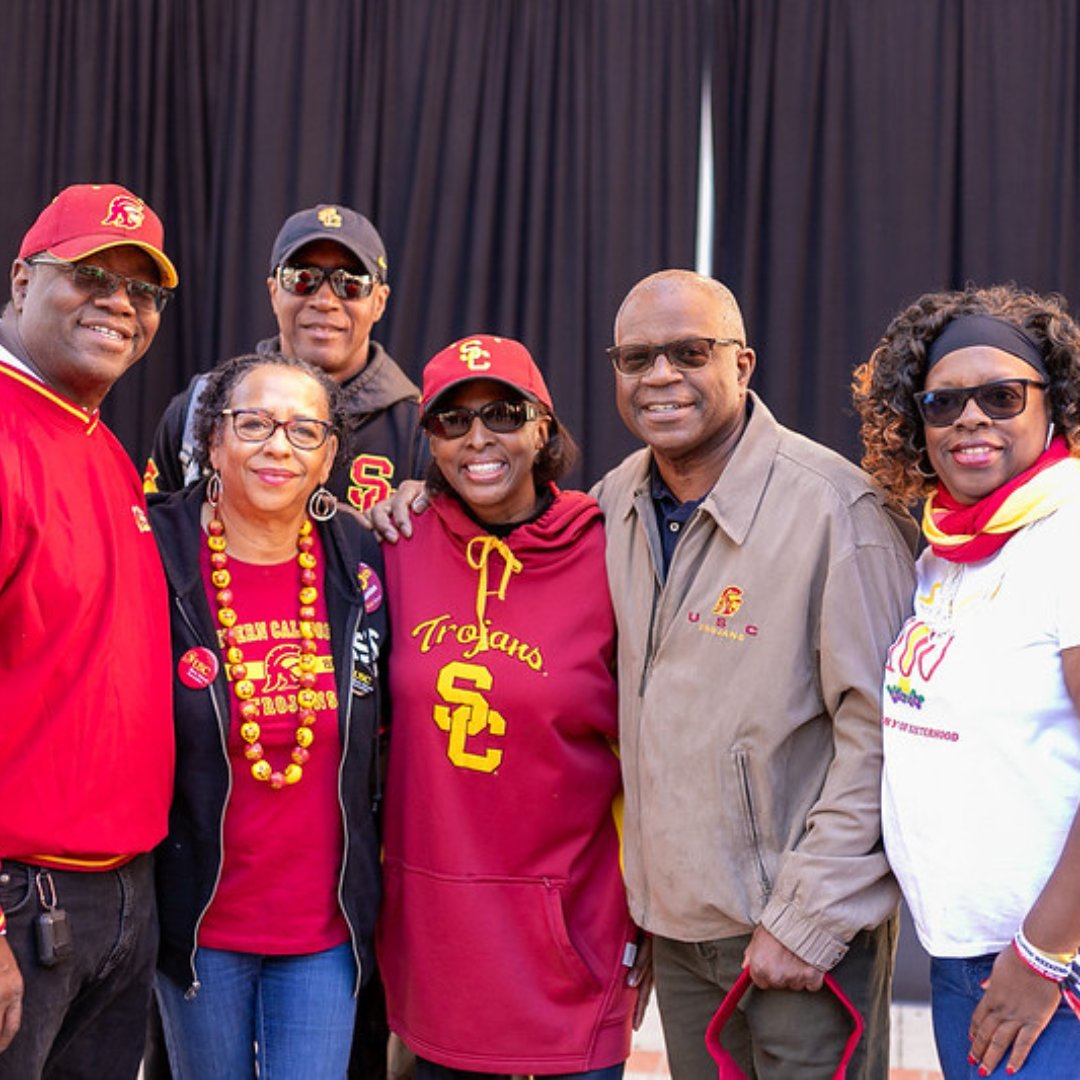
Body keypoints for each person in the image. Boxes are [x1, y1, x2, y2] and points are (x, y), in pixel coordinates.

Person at [591, 269, 917, 1079]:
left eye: (689, 352)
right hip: (679, 934)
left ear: (743, 364)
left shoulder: (838, 511)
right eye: (638, 359)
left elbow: (883, 734)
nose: (660, 376)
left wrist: (806, 920)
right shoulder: (609, 506)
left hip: (801, 938)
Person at [376, 334, 648, 1079]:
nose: (478, 439)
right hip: (437, 940)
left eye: (502, 413)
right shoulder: (396, 545)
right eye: (451, 422)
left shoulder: (609, 550)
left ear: (543, 429)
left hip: (571, 936)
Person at [852, 283, 1080, 1078]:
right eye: (944, 403)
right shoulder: (942, 552)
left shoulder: (1069, 535)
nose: (971, 418)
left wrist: (1044, 956)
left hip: (1051, 971)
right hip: (966, 960)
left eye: (1001, 396)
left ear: (1052, 406)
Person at [146, 352, 387, 1078]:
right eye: (254, 424)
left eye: (304, 430)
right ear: (213, 440)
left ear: (328, 458)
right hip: (200, 927)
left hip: (324, 929)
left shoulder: (360, 556)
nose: (278, 446)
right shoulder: (153, 551)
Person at [0, 182, 178, 1077]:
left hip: (117, 902)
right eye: (90, 274)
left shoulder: (99, 439)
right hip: (18, 907)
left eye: (141, 290)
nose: (119, 302)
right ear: (24, 279)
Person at [144, 203, 424, 510]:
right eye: (303, 277)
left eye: (351, 283)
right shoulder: (202, 407)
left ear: (380, 302)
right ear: (273, 291)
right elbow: (154, 530)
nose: (325, 300)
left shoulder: (422, 432)